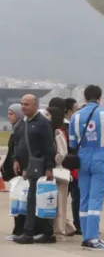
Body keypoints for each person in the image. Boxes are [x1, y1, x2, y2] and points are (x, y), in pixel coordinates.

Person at [68, 86, 104, 250]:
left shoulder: (75, 116)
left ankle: (86, 236)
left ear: (84, 97)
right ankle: (93, 238)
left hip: (83, 158)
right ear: (100, 97)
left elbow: (72, 143)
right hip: (101, 157)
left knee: (84, 197)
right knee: (96, 199)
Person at [12, 95, 56, 245]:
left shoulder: (42, 123)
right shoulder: (22, 123)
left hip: (39, 167)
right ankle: (47, 233)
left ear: (35, 105)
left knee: (34, 199)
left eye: (27, 104)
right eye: (22, 104)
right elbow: (18, 142)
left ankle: (29, 233)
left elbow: (49, 146)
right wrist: (16, 159)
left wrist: (49, 167)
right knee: (34, 200)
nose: (23, 107)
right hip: (27, 167)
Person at [49, 107, 76, 239]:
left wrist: (54, 161)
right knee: (53, 202)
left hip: (58, 171)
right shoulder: (51, 131)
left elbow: (62, 152)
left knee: (60, 202)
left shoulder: (57, 132)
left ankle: (60, 230)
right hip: (53, 172)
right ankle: (67, 227)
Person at [3, 104, 25, 241]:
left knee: (21, 203)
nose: (9, 116)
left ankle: (19, 231)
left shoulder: (20, 129)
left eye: (11, 114)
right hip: (15, 173)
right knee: (17, 203)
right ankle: (18, 230)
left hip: (21, 173)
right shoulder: (15, 129)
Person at [63, 98, 81, 235]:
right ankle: (75, 225)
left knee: (74, 197)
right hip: (70, 168)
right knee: (75, 197)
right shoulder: (67, 127)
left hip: (70, 169)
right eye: (76, 109)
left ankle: (74, 224)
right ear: (69, 111)